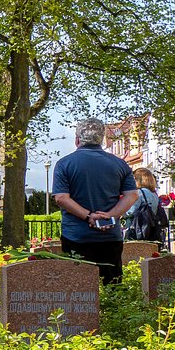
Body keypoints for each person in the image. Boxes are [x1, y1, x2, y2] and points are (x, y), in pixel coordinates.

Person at [51, 117, 138, 283]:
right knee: (112, 286)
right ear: (102, 139)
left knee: (77, 288)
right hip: (110, 236)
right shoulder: (121, 165)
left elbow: (62, 198)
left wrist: (88, 216)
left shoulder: (64, 164)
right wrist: (110, 216)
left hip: (76, 236)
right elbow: (132, 195)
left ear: (77, 140)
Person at [126, 166, 168, 245]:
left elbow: (130, 212)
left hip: (138, 229)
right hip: (151, 229)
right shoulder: (154, 194)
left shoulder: (139, 193)